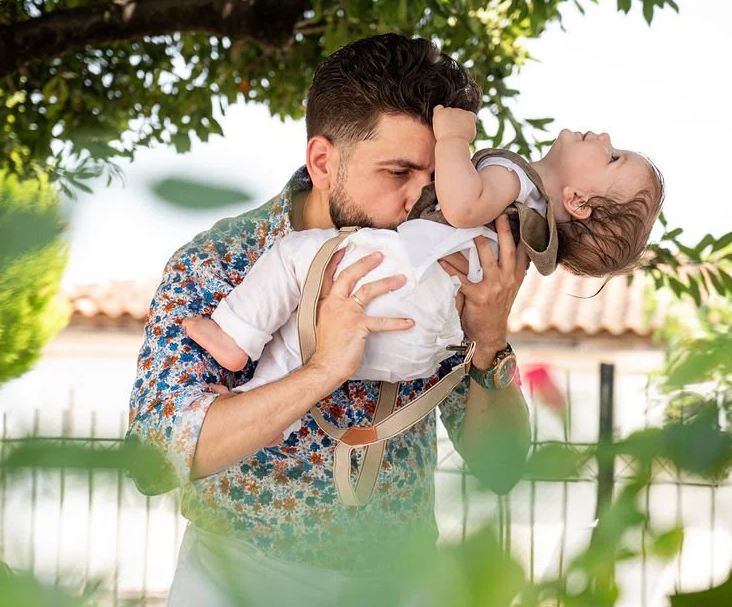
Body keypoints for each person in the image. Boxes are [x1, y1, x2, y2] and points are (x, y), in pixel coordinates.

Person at [127, 33, 534, 606]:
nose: (424, 202)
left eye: (436, 176)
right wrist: (322, 371)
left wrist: (490, 341)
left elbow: (502, 467)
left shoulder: (444, 256)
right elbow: (155, 458)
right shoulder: (220, 262)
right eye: (398, 173)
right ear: (323, 161)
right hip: (233, 582)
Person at [181, 107, 663, 428]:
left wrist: (455, 138)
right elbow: (169, 448)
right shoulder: (526, 234)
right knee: (303, 348)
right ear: (324, 161)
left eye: (613, 156)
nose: (602, 137)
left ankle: (235, 334)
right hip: (425, 347)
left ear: (577, 201)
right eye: (399, 171)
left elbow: (461, 204)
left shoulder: (514, 180)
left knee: (293, 259)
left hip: (405, 278)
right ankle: (270, 410)